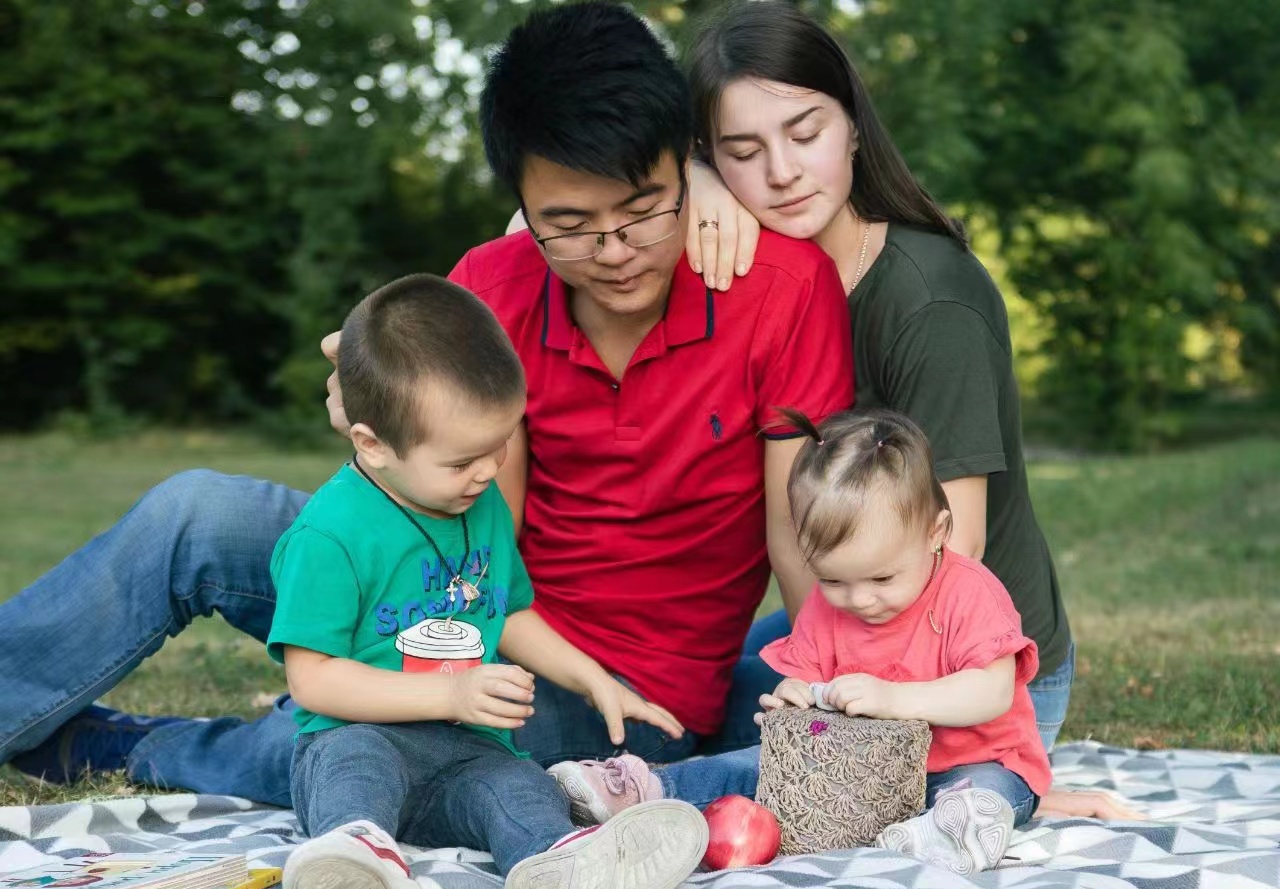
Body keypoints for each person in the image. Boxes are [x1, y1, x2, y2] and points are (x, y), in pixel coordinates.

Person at [0, 2, 853, 807]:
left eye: (641, 213)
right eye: (571, 225)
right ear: (521, 203)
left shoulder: (782, 290)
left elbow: (793, 527)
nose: (615, 252)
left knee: (362, 743)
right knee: (196, 513)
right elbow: (453, 516)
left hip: (612, 687)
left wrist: (827, 684)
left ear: (684, 166)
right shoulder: (491, 285)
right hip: (457, 592)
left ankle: (130, 748)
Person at [674, 1, 1078, 760]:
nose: (782, 172)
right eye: (742, 151)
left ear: (853, 124)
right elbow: (548, 226)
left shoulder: (932, 305)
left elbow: (953, 551)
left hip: (975, 669)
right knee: (684, 706)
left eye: (805, 133)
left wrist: (827, 702)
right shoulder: (750, 275)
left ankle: (1019, 789)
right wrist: (693, 179)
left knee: (755, 764)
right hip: (856, 618)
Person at [273, 273, 706, 889]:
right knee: (351, 762)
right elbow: (313, 681)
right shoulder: (330, 534)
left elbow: (508, 613)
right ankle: (356, 851)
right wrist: (448, 693)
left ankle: (561, 859)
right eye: (459, 461)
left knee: (517, 784)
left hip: (470, 747)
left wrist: (593, 678)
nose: (486, 470)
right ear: (372, 444)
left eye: (498, 445)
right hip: (363, 733)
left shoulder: (479, 504)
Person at [549, 408, 1052, 877]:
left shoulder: (968, 592)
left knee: (988, 791)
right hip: (851, 769)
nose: (859, 600)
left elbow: (992, 693)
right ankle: (645, 792)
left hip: (967, 764)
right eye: (834, 581)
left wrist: (894, 699)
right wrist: (795, 700)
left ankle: (956, 831)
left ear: (936, 532)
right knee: (760, 762)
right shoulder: (829, 605)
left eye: (882, 579)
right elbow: (809, 681)